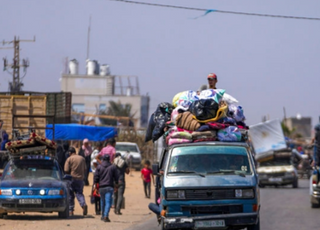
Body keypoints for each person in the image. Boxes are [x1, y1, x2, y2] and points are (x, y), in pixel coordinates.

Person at [94, 154, 119, 222]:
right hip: (109, 186)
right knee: (108, 202)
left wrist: (96, 187)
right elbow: (116, 177)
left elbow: (96, 177)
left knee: (102, 201)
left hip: (101, 187)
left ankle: (103, 215)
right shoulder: (113, 167)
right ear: (109, 159)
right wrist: (116, 185)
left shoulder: (99, 167)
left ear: (103, 159)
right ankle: (106, 216)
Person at [64, 147, 88, 216]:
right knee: (79, 193)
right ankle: (83, 205)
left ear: (70, 153)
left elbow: (66, 170)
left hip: (72, 179)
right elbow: (85, 169)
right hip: (80, 179)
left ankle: (71, 210)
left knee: (70, 195)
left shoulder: (69, 159)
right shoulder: (82, 158)